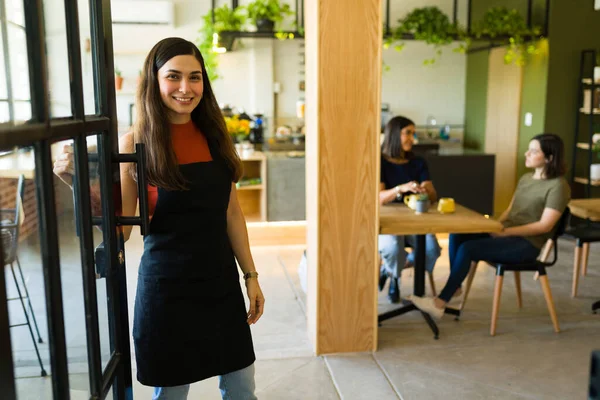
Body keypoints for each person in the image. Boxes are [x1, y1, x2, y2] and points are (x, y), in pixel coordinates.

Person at [53, 37, 265, 400]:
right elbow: (123, 226)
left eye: (195, 77)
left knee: (242, 387)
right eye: (174, 77)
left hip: (219, 283)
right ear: (154, 81)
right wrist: (75, 181)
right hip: (167, 288)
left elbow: (231, 211)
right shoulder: (135, 142)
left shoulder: (215, 135)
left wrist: (251, 276)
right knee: (170, 392)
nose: (186, 88)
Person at [410, 133, 571, 319]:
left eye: (534, 151)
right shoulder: (526, 179)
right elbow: (510, 211)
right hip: (507, 235)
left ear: (550, 158)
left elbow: (544, 226)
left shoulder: (558, 186)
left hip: (527, 244)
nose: (527, 153)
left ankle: (439, 303)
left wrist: (505, 232)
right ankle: (455, 288)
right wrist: (495, 226)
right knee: (458, 234)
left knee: (469, 248)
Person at [378, 116, 441, 303]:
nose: (412, 138)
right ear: (394, 134)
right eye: (408, 133)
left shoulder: (418, 162)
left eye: (413, 134)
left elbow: (432, 196)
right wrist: (401, 188)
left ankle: (389, 271)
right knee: (392, 248)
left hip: (415, 222)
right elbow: (379, 198)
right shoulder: (379, 161)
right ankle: (395, 279)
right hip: (389, 222)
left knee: (431, 250)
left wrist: (426, 190)